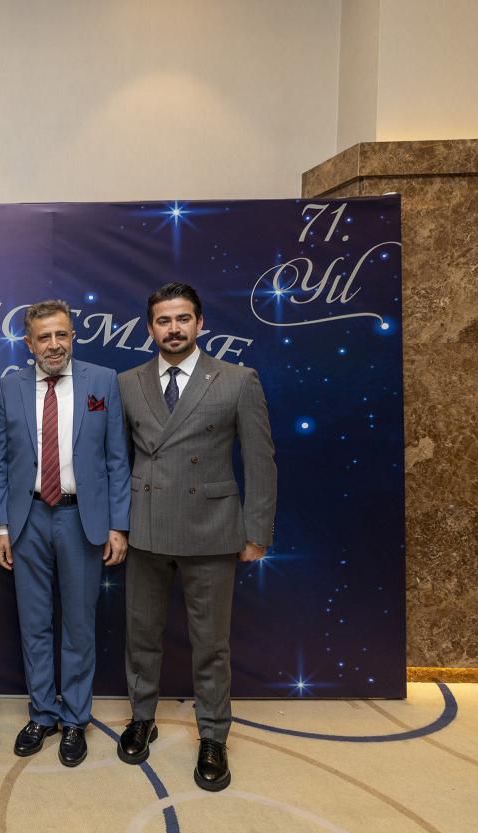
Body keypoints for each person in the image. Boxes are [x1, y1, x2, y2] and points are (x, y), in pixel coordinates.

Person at [115, 282, 276, 792]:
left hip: (211, 528)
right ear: (150, 329)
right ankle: (142, 717)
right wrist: (116, 524)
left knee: (211, 643)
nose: (174, 329)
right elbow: (116, 461)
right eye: (163, 321)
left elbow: (261, 460)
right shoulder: (127, 382)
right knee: (142, 634)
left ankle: (213, 735)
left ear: (200, 323)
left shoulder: (237, 379)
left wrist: (257, 531)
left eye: (183, 318)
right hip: (145, 525)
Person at [0, 299, 130, 767]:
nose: (54, 344)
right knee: (34, 625)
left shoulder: (102, 382)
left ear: (72, 336)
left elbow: (117, 460)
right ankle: (42, 714)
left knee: (78, 626)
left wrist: (117, 525)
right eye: (44, 337)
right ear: (29, 343)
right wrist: (3, 526)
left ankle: (74, 719)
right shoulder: (10, 386)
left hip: (80, 520)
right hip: (27, 518)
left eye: (61, 334)